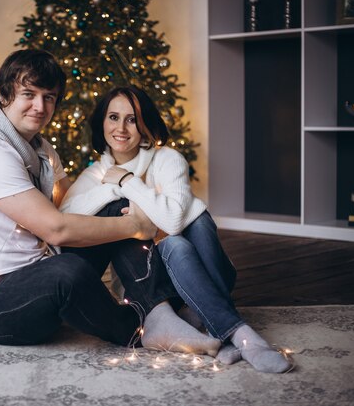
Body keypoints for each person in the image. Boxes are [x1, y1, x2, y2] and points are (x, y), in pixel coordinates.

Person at [0, 50, 218, 354]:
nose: (40, 106)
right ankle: (136, 330)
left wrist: (124, 200)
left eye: (49, 97)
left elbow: (75, 205)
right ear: (3, 94)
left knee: (109, 211)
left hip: (39, 273)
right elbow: (56, 229)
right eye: (28, 94)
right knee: (68, 270)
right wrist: (136, 225)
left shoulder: (41, 150)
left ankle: (160, 313)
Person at [60, 85, 293, 373]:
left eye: (132, 119)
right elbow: (64, 216)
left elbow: (172, 222)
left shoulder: (168, 159)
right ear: (102, 123)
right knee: (175, 244)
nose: (121, 127)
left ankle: (222, 328)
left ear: (145, 125)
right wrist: (112, 189)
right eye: (113, 117)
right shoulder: (96, 174)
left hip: (201, 272)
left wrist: (128, 181)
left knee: (192, 224)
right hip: (152, 290)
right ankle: (237, 334)